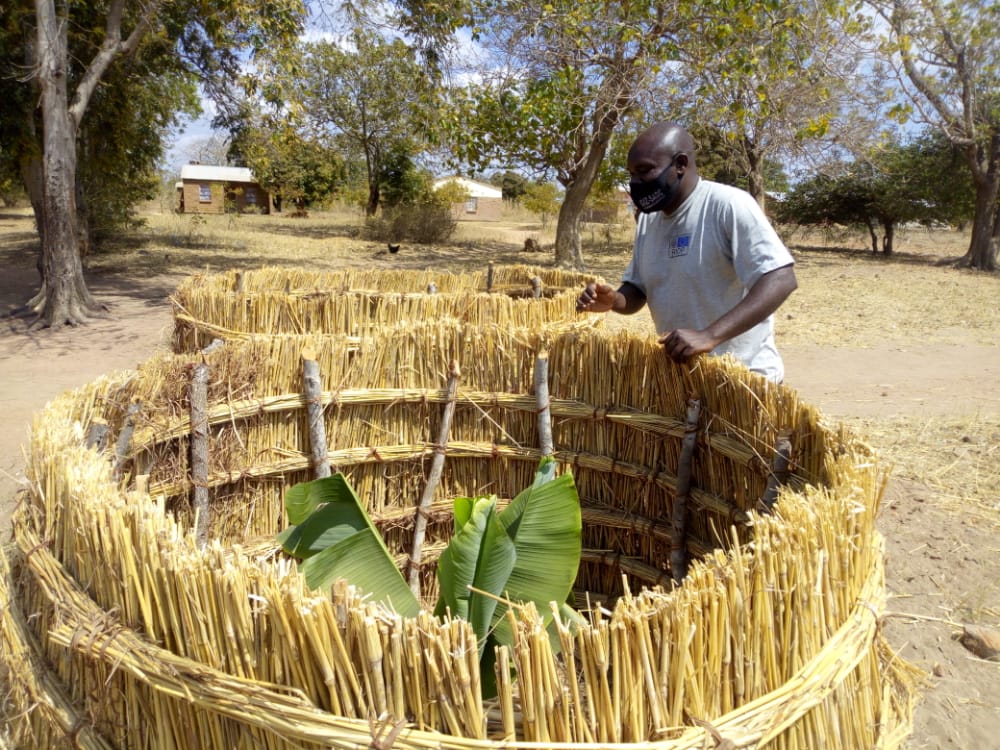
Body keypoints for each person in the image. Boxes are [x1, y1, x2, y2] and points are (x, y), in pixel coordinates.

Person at [577, 121, 797, 382]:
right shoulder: (649, 220)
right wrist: (613, 300)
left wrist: (709, 335)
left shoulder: (728, 205)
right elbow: (638, 290)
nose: (635, 182)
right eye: (632, 174)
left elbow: (781, 278)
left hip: (744, 381)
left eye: (644, 171)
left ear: (680, 164)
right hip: (684, 381)